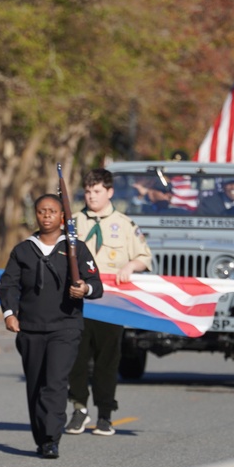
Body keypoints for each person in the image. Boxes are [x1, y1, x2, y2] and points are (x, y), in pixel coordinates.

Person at [0, 194, 103, 458]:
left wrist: (85, 288)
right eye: (41, 211)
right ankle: (40, 435)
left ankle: (51, 438)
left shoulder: (75, 248)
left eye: (52, 211)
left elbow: (96, 285)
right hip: (30, 328)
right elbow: (9, 285)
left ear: (62, 217)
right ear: (35, 215)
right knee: (35, 384)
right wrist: (10, 314)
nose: (46, 216)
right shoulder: (23, 249)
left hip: (65, 328)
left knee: (54, 382)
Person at [66, 169, 151, 437]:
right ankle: (79, 408)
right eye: (88, 192)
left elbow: (144, 256)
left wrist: (131, 266)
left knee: (107, 361)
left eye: (97, 191)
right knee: (76, 359)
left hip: (111, 303)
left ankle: (105, 414)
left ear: (110, 192)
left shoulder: (125, 225)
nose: (91, 196)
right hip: (78, 303)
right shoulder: (74, 222)